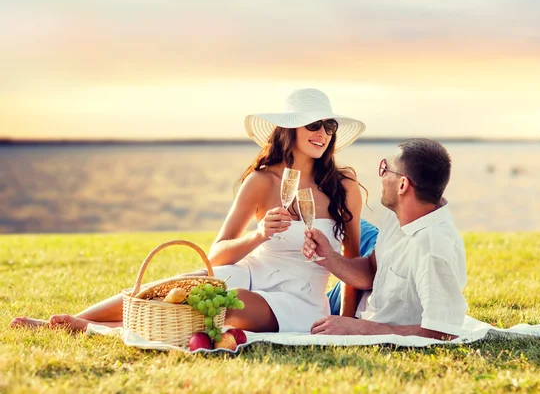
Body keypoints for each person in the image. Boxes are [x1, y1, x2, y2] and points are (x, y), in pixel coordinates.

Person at [11, 88, 366, 333]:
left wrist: (347, 323)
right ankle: (73, 321)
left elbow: (352, 264)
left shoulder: (344, 187)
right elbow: (219, 252)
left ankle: (97, 327)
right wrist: (260, 235)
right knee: (172, 287)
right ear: (290, 129)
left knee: (220, 303)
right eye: (314, 124)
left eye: (329, 126)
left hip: (299, 298)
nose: (323, 133)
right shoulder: (261, 182)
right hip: (247, 273)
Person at [304, 138, 468, 340]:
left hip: (368, 315)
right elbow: (373, 269)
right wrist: (329, 257)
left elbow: (443, 331)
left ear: (402, 185)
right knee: (344, 218)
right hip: (368, 301)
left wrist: (359, 328)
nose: (380, 175)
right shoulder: (398, 214)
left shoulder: (432, 248)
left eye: (385, 169)